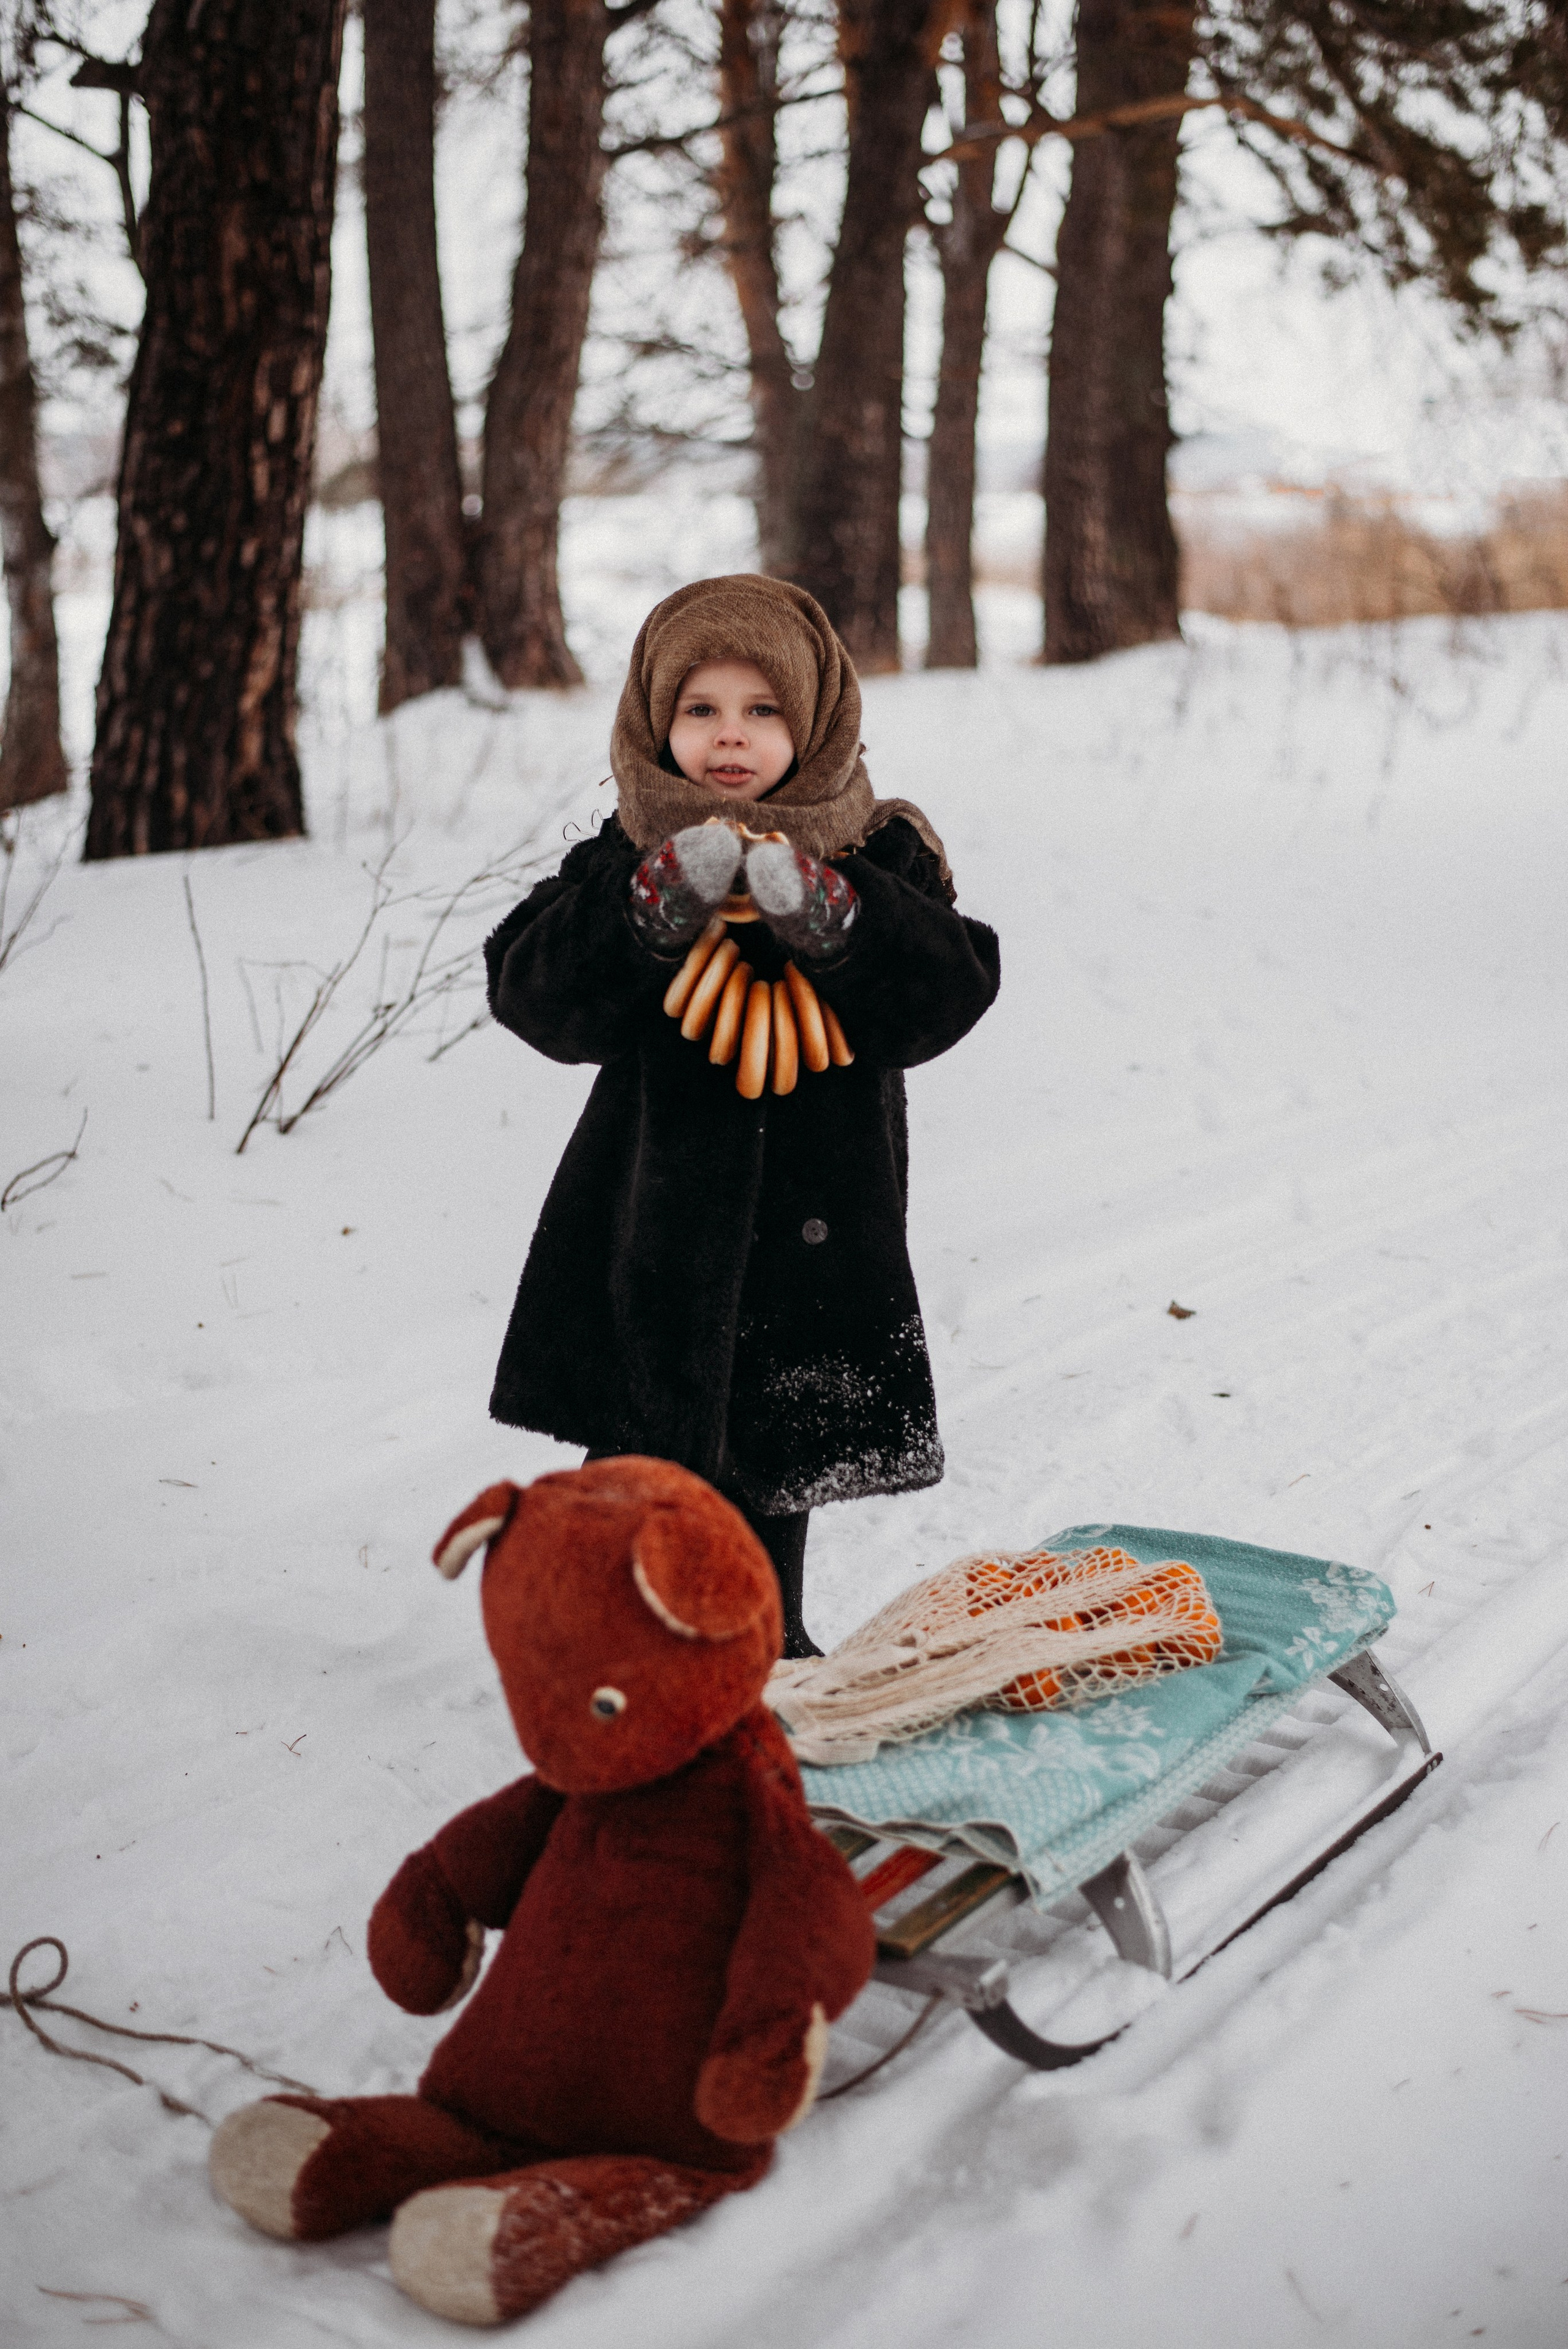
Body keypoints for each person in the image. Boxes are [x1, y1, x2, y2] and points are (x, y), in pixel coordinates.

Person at [482, 575, 1000, 1655]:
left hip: (817, 1232)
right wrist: (645, 911)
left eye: (763, 710)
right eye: (701, 709)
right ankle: (606, 1651)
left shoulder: (877, 856)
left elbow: (947, 992)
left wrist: (836, 919)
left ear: (813, 718)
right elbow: (537, 996)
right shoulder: (623, 857)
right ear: (656, 721)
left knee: (772, 1453)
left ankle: (759, 1647)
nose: (731, 738)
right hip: (647, 1227)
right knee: (638, 1445)